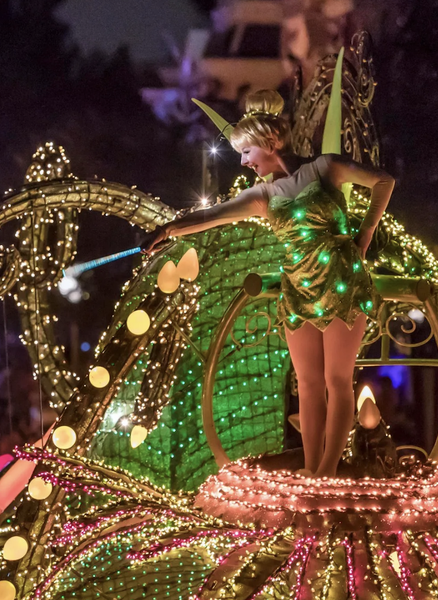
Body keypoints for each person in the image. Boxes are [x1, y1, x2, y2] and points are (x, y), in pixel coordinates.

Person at [144, 89, 394, 477]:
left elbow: (383, 181)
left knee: (337, 380)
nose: (244, 162)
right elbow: (211, 216)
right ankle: (312, 470)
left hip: (341, 281)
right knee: (308, 384)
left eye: (246, 152)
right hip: (298, 289)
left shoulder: (325, 168)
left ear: (269, 141)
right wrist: (168, 230)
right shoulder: (263, 195)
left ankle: (327, 471)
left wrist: (365, 233)